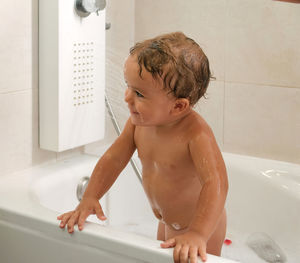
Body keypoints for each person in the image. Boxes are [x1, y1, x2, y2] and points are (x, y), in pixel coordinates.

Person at [57, 32, 228, 263]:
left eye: (139, 93)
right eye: (129, 86)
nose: (127, 97)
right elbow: (113, 159)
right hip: (166, 220)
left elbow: (216, 183)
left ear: (178, 106)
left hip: (198, 226)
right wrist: (90, 197)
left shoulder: (196, 134)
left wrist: (198, 233)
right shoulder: (139, 125)